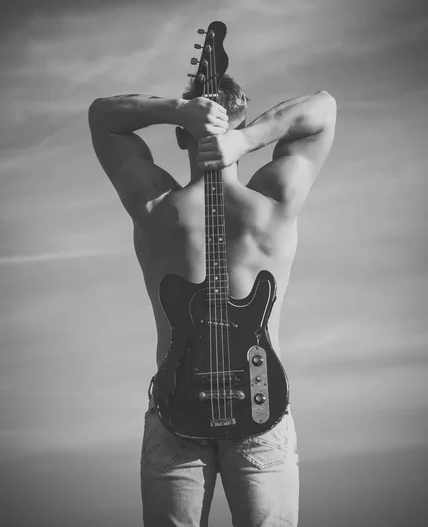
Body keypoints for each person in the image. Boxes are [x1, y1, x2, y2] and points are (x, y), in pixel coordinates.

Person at [88, 74, 336, 527]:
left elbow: (103, 118)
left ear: (181, 135)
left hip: (177, 404)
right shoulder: (273, 202)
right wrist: (249, 138)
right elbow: (322, 110)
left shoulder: (155, 205)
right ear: (240, 115)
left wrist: (175, 111)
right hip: (259, 401)